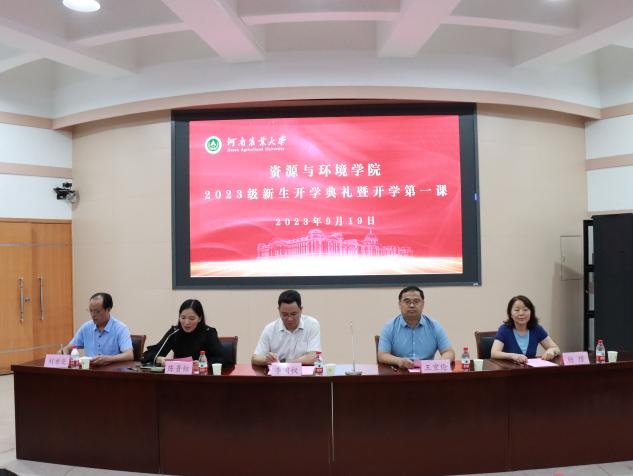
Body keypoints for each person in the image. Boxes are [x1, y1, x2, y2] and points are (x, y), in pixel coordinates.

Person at [378, 286, 455, 368]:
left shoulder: (434, 326)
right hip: (399, 372)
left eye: (416, 301)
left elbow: (449, 352)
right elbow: (382, 355)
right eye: (407, 301)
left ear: (423, 304)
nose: (412, 305)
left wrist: (439, 364)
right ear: (399, 304)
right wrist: (399, 361)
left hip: (427, 372)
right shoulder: (389, 327)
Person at [141, 299, 232, 366]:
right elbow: (147, 355)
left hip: (202, 379)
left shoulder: (208, 333)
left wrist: (203, 363)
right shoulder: (175, 332)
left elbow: (226, 359)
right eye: (183, 317)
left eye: (191, 319)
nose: (186, 322)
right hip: (178, 379)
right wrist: (159, 359)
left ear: (200, 318)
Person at [251, 290, 321, 366]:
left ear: (301, 310)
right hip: (279, 373)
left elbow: (313, 357)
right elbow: (255, 358)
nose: (289, 319)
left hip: (305, 372)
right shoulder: (270, 329)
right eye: (285, 314)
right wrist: (267, 360)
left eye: (293, 314)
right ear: (279, 310)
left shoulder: (312, 324)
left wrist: (283, 363)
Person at [63, 292, 133, 366]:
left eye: (97, 311)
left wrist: (107, 359)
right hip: (89, 370)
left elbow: (129, 355)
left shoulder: (120, 328)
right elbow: (68, 348)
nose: (93, 315)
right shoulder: (86, 327)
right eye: (91, 311)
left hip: (112, 371)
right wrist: (64, 354)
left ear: (108, 309)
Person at [491, 295, 561, 364]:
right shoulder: (504, 329)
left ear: (531, 312)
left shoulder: (536, 329)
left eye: (525, 310)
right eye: (517, 310)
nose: (521, 313)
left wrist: (551, 351)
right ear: (511, 314)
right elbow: (494, 353)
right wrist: (512, 356)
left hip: (530, 369)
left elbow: (556, 348)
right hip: (509, 369)